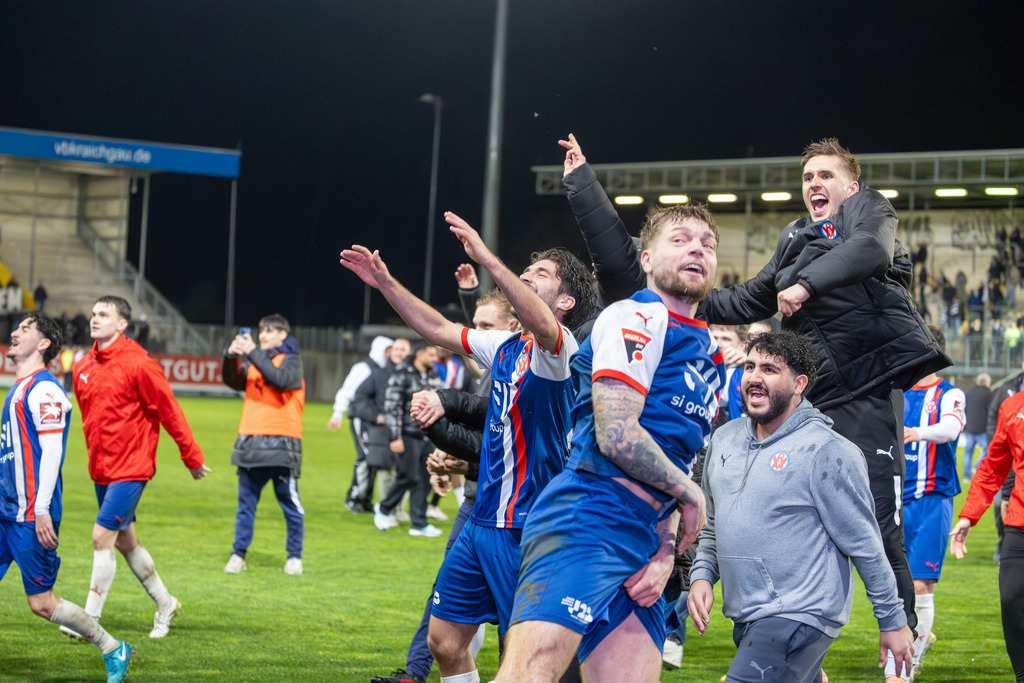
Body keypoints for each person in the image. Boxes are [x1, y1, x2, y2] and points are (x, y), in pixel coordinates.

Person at [557, 134, 947, 681]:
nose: (814, 183)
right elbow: (741, 300)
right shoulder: (795, 238)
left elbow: (873, 252)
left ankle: (900, 635)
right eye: (807, 176)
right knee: (750, 505)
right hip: (807, 397)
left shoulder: (868, 211)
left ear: (851, 184)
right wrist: (589, 195)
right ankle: (783, 632)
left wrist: (806, 286)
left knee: (876, 522)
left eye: (826, 175)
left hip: (863, 388)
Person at [342, 209, 598, 683]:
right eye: (526, 270)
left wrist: (487, 257)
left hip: (528, 530)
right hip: (481, 520)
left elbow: (540, 324)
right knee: (444, 642)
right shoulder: (506, 346)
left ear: (564, 301)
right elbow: (438, 329)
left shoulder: (559, 351)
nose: (525, 275)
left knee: (534, 660)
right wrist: (386, 283)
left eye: (540, 274)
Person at [496, 203, 722, 683]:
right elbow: (617, 434)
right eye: (680, 239)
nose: (697, 249)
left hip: (644, 540)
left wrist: (665, 552)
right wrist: (690, 493)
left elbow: (681, 455)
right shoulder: (634, 316)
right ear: (645, 258)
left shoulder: (710, 354)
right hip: (587, 518)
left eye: (707, 243)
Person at [688, 330, 914, 683]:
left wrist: (893, 620)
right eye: (749, 366)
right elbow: (714, 526)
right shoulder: (724, 438)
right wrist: (702, 576)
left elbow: (866, 545)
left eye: (770, 369)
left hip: (800, 614)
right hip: (748, 615)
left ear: (799, 384)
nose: (754, 377)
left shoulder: (827, 450)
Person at [66, 295, 209, 640]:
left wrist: (191, 457)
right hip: (101, 468)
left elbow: (169, 410)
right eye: (93, 313)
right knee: (125, 542)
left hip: (132, 467)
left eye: (104, 314)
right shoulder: (83, 365)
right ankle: (165, 603)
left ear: (122, 324)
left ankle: (88, 621)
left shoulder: (139, 364)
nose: (95, 319)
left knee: (101, 537)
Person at [0, 313, 133, 682]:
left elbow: (52, 452)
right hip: (6, 508)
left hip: (30, 513)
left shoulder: (45, 390)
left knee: (42, 604)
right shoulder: (19, 388)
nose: (14, 333)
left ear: (43, 344)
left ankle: (112, 647)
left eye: (25, 329)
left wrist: (41, 509)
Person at [901, 326, 965, 679]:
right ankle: (915, 639)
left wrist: (917, 433)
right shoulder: (897, 393)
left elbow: (951, 429)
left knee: (921, 583)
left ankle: (904, 670)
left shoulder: (950, 394)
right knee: (898, 586)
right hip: (893, 498)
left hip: (930, 498)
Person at [222, 314, 306, 575]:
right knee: (245, 506)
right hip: (250, 443)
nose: (263, 335)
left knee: (290, 505)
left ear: (283, 334)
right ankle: (238, 554)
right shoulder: (255, 361)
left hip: (281, 445)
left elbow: (279, 379)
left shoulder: (292, 360)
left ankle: (294, 556)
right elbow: (231, 380)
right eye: (261, 331)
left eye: (270, 331)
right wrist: (230, 356)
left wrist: (252, 352)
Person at [950, 388, 1024, 682]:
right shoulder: (1013, 407)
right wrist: (969, 515)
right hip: (1019, 524)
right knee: (1010, 597)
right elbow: (993, 466)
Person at [373, 340, 442, 538]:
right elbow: (392, 408)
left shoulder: (433, 376)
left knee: (425, 478)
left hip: (428, 436)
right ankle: (384, 509)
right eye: (430, 354)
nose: (434, 358)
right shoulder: (401, 374)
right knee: (408, 476)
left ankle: (419, 523)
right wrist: (395, 436)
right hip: (407, 435)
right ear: (420, 355)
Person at [328, 335, 394, 514]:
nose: (391, 354)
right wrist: (337, 413)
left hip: (373, 421)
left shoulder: (384, 370)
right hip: (361, 419)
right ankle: (354, 497)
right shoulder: (363, 368)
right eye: (388, 350)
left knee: (373, 459)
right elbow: (347, 391)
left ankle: (365, 499)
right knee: (365, 457)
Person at [349, 338, 411, 513]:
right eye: (396, 349)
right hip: (383, 432)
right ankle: (383, 508)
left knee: (408, 470)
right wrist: (376, 416)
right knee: (384, 469)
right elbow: (360, 399)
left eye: (403, 349)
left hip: (408, 431)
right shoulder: (378, 375)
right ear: (390, 352)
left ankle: (398, 508)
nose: (399, 352)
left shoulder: (414, 375)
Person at [963, 372, 994, 482]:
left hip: (969, 428)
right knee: (987, 450)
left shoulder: (969, 393)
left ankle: (966, 477)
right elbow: (991, 413)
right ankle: (976, 467)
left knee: (968, 452)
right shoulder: (989, 395)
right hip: (982, 429)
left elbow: (964, 410)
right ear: (986, 382)